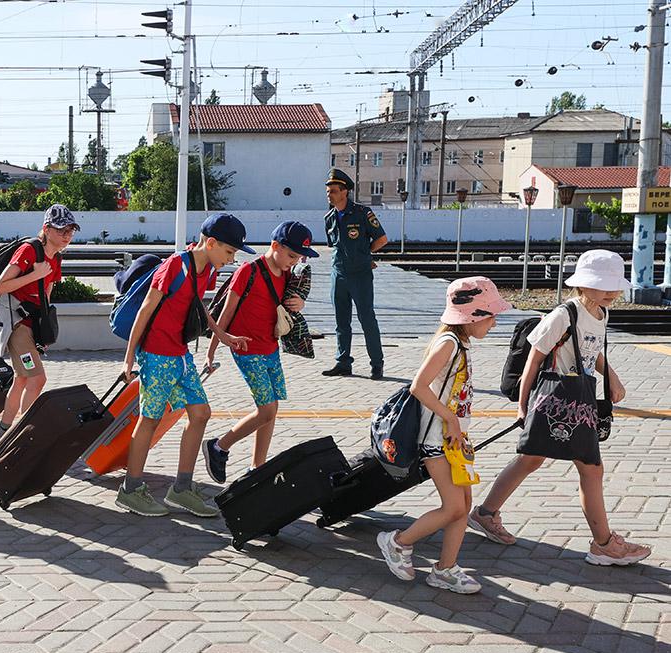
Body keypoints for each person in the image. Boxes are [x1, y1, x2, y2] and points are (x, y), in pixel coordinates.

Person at [469, 250, 650, 566]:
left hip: (578, 401)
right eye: (603, 285)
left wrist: (612, 377)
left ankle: (485, 514)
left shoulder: (602, 313)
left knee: (533, 460)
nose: (611, 292)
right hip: (553, 400)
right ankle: (604, 544)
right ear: (583, 284)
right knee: (587, 467)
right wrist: (522, 407)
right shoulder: (564, 315)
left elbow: (592, 351)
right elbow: (533, 360)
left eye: (614, 286)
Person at [376, 277, 512, 594]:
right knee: (453, 507)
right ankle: (397, 542)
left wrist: (458, 428)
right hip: (434, 442)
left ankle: (445, 569)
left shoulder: (459, 343)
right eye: (491, 316)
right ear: (473, 315)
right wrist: (450, 419)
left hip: (452, 441)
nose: (494, 324)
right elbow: (419, 386)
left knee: (463, 505)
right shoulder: (448, 343)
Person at [116, 213, 252, 518]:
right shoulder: (175, 265)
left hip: (180, 355)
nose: (231, 259)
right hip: (156, 355)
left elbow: (197, 305)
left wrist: (222, 335)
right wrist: (128, 357)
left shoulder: (207, 269)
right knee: (149, 420)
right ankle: (130, 490)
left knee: (200, 413)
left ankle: (181, 489)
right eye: (229, 251)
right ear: (211, 243)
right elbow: (145, 309)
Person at [203, 221, 316, 482]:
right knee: (266, 410)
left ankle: (258, 466)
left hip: (270, 348)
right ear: (275, 246)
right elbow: (225, 313)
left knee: (271, 409)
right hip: (246, 348)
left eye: (299, 258)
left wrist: (300, 303)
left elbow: (291, 303)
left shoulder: (287, 275)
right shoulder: (248, 271)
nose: (294, 262)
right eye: (291, 255)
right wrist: (212, 351)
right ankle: (219, 446)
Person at [0, 204, 78, 445]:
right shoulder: (28, 250)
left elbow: (46, 293)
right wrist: (34, 275)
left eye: (70, 231)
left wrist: (43, 331)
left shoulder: (56, 257)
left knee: (22, 379)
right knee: (37, 379)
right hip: (16, 324)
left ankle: (2, 433)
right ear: (46, 229)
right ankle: (25, 435)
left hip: (32, 326)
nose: (67, 236)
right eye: (61, 230)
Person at [322, 168, 388, 380]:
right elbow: (334, 246)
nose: (329, 195)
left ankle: (376, 364)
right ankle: (343, 362)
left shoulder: (362, 213)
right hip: (339, 273)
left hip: (360, 274)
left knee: (367, 319)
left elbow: (381, 239)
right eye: (328, 191)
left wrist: (365, 254)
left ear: (345, 192)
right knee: (341, 322)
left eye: (333, 191)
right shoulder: (330, 217)